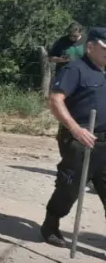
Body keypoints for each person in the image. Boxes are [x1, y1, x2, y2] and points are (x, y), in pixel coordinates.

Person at [40, 27, 106, 247]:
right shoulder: (74, 69)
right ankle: (51, 224)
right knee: (70, 186)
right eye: (104, 48)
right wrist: (76, 129)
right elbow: (55, 100)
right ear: (90, 47)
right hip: (80, 140)